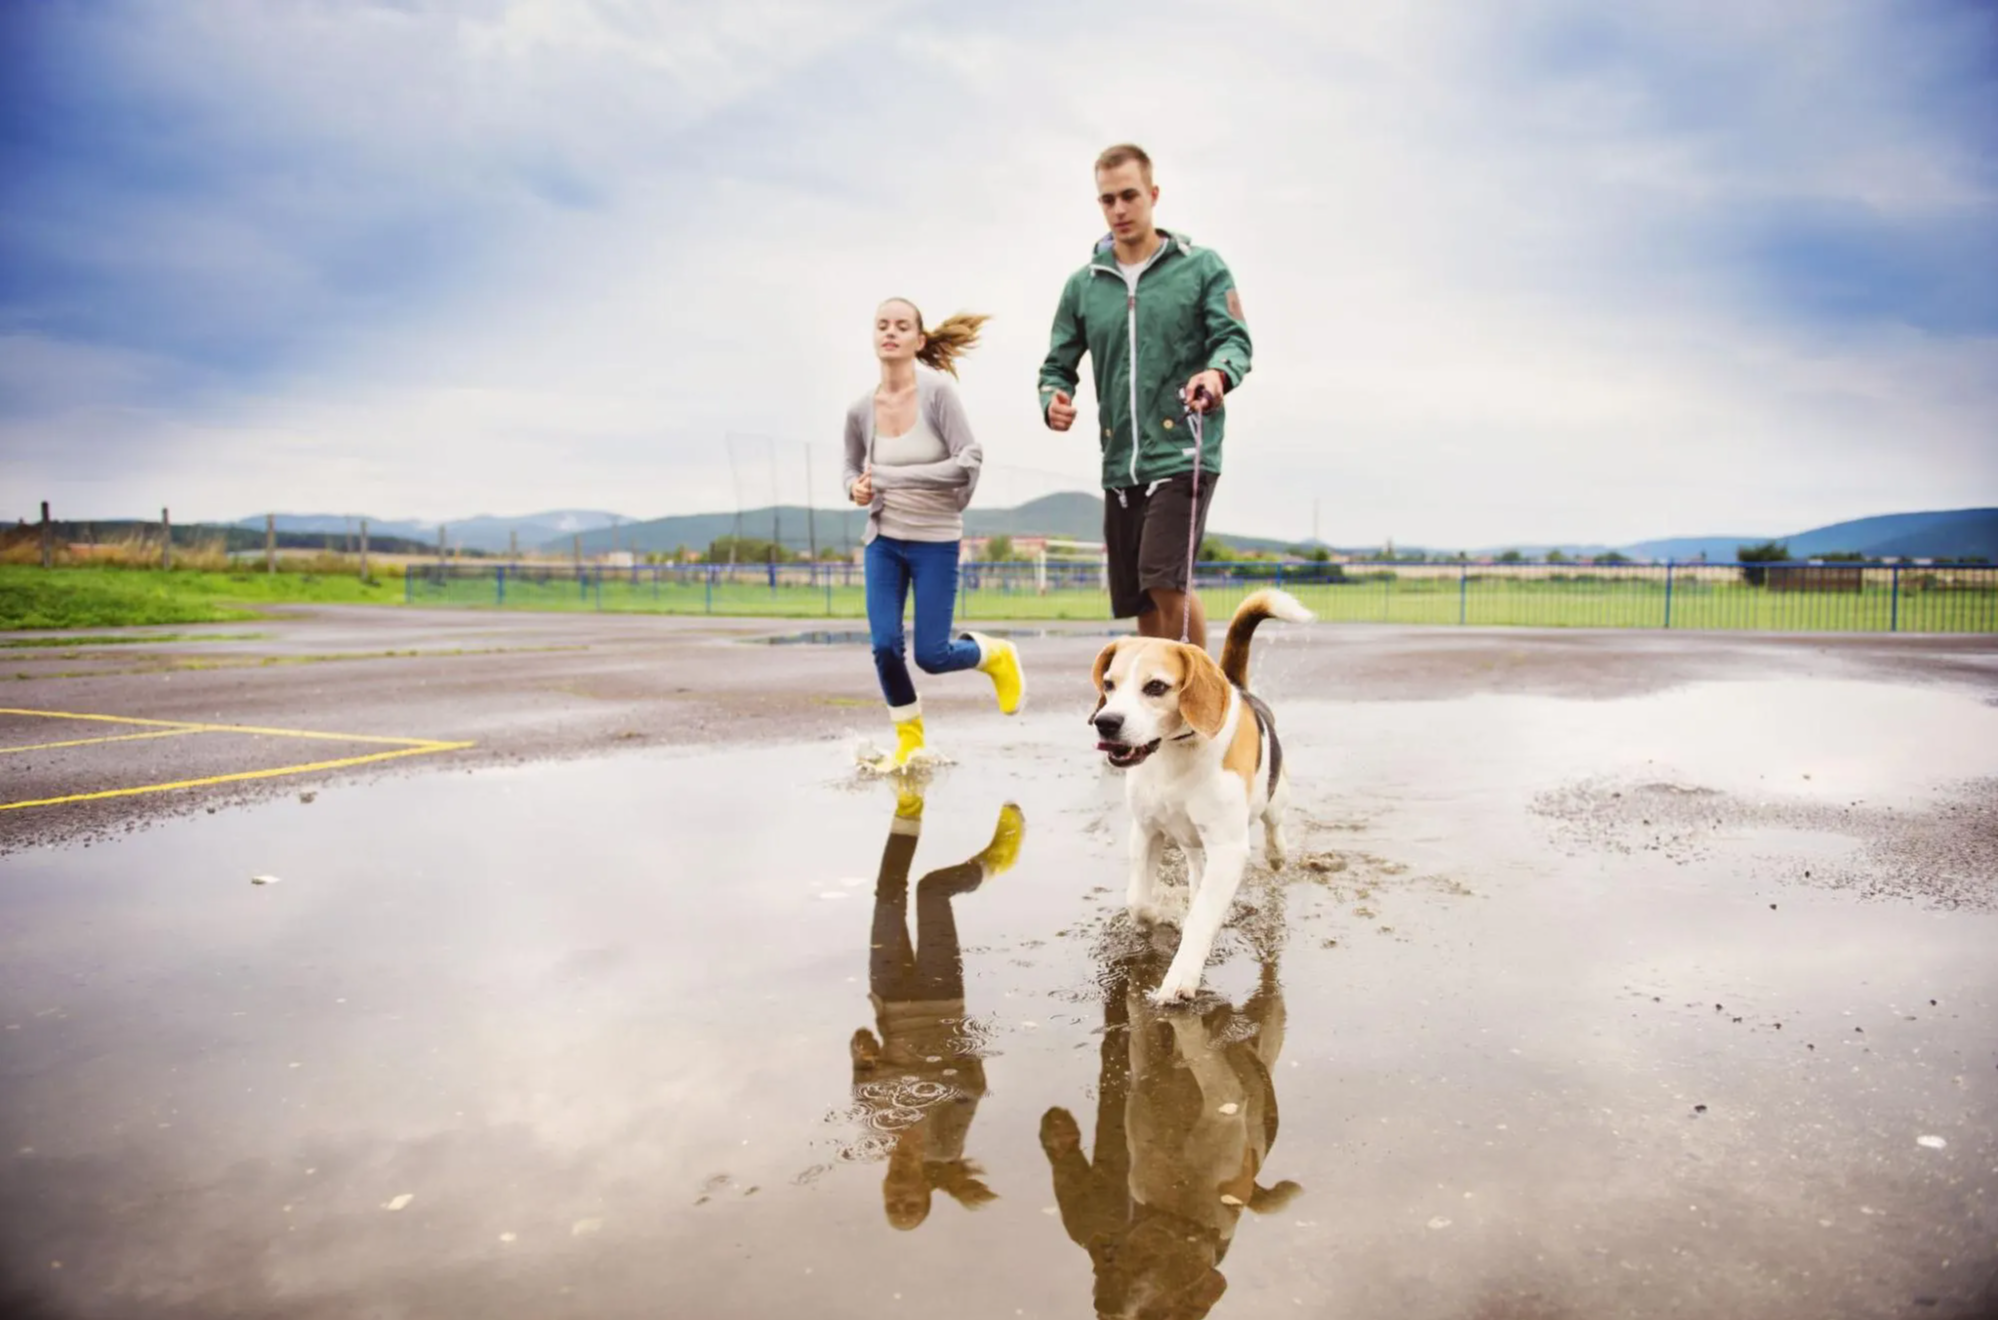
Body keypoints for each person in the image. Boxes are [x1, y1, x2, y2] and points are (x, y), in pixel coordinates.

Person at [1037, 143, 1253, 650]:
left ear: (1153, 195)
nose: (1119, 209)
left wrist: (1218, 374)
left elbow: (1234, 340)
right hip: (1121, 462)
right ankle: (1158, 710)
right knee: (1140, 598)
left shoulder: (1200, 268)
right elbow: (1057, 365)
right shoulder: (1083, 287)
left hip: (1183, 449)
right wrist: (1054, 397)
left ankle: (1207, 701)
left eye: (1129, 196)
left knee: (1164, 580)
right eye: (1108, 199)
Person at [844, 297, 1026, 769]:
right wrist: (857, 487)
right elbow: (850, 467)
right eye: (882, 324)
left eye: (901, 326)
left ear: (918, 341)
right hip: (883, 540)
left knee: (933, 654)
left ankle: (993, 654)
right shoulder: (860, 409)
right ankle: (909, 738)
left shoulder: (938, 394)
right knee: (885, 645)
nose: (890, 332)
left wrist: (893, 477)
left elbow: (969, 458)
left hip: (936, 540)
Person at [846, 781, 1025, 1230]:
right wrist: (924, 1071)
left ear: (884, 1193)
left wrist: (863, 1053)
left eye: (894, 1207)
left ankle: (908, 808)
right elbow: (972, 1085)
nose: (902, 1201)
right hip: (941, 1002)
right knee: (932, 890)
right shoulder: (943, 1146)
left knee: (888, 892)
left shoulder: (876, 1132)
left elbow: (862, 1059)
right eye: (913, 1208)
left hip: (888, 996)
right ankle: (994, 861)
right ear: (927, 1194)